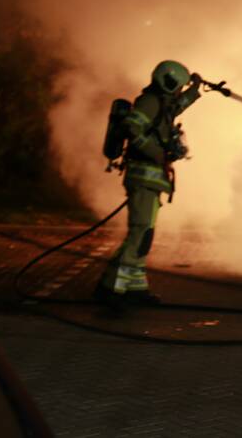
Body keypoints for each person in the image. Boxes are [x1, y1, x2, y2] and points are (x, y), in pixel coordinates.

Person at [94, 61, 203, 310]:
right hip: (143, 177)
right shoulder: (149, 102)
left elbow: (177, 106)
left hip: (152, 180)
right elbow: (132, 127)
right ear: (169, 83)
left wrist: (195, 89)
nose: (179, 91)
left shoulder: (162, 103)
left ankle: (135, 288)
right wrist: (156, 152)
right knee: (139, 234)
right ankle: (112, 290)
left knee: (145, 235)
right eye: (179, 87)